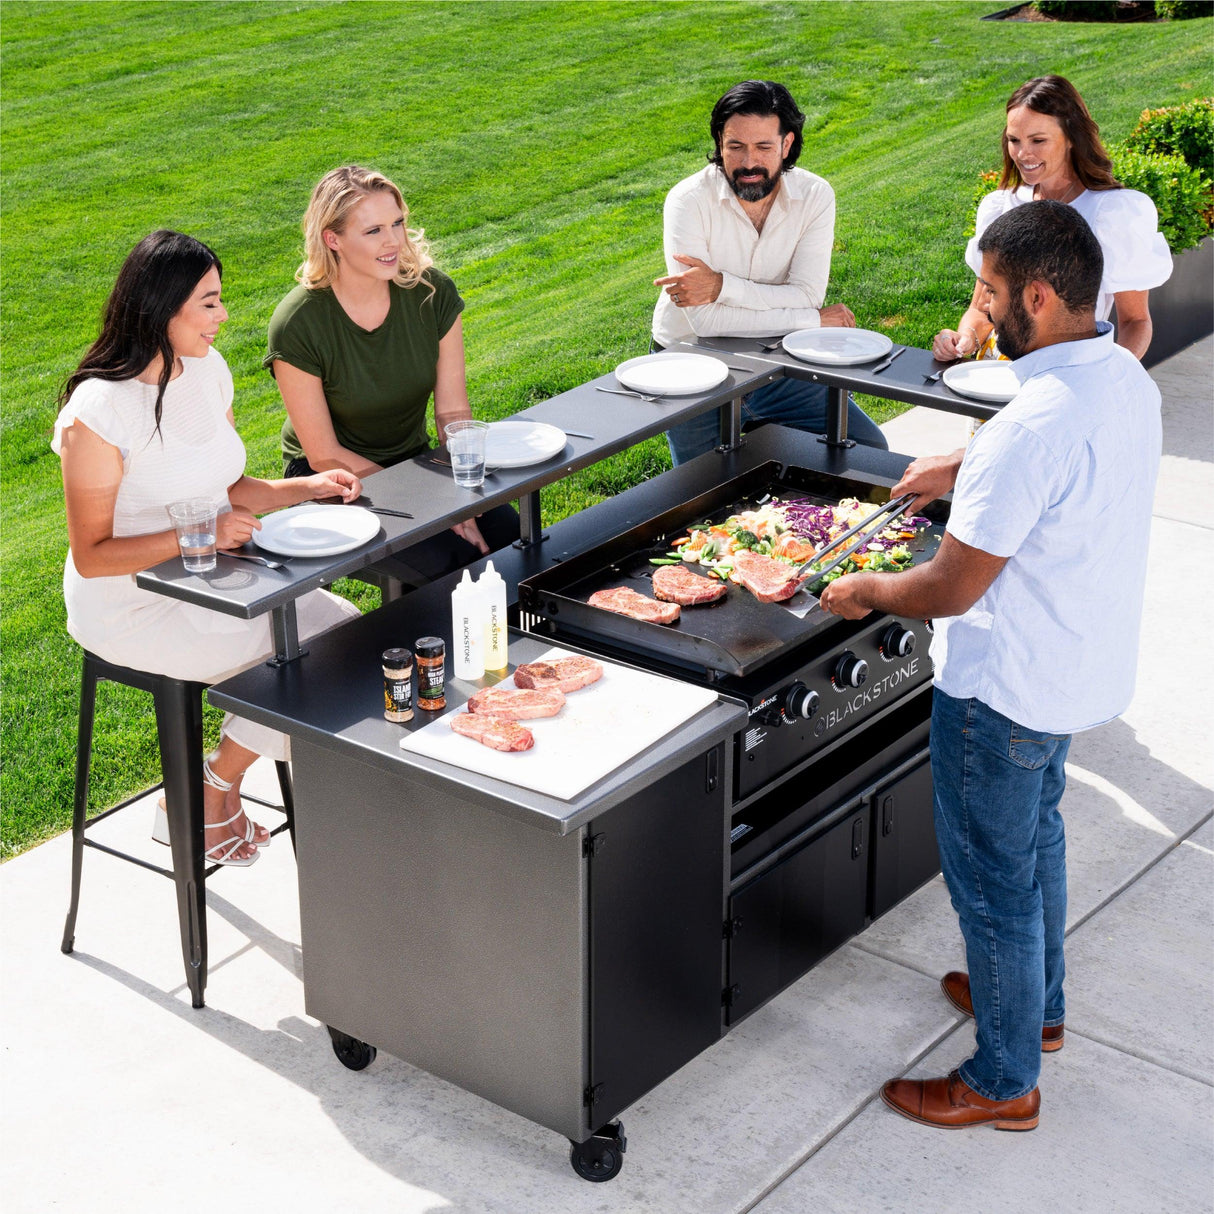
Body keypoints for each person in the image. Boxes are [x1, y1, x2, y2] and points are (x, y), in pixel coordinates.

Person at [821, 201, 1161, 1130]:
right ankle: (1037, 1009)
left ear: (1040, 297)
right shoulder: (1123, 377)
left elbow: (950, 586)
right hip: (1076, 669)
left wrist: (866, 590)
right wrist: (961, 461)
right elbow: (1055, 451)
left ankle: (1004, 1083)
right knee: (1037, 842)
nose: (979, 306)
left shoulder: (1031, 426)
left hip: (1002, 691)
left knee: (992, 883)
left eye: (990, 291)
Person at [54, 230, 363, 867]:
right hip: (131, 605)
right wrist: (197, 536)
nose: (224, 317)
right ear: (161, 309)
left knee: (347, 638)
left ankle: (214, 780)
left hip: (209, 576)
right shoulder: (101, 411)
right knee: (305, 659)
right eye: (209, 303)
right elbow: (91, 554)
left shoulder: (207, 371)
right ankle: (206, 792)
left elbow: (225, 486)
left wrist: (304, 486)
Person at [265, 165, 519, 583]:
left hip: (414, 462)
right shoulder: (298, 322)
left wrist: (464, 489)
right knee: (450, 561)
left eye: (397, 223)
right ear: (333, 239)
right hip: (330, 482)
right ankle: (420, 648)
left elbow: (452, 412)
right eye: (373, 231)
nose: (393, 241)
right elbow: (323, 453)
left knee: (512, 535)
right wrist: (432, 505)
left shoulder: (431, 293)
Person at [651, 80, 889, 465]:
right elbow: (706, 322)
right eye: (735, 147)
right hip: (691, 364)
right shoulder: (687, 200)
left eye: (763, 147)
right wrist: (810, 320)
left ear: (787, 144)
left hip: (778, 359)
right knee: (700, 494)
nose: (748, 163)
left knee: (867, 453)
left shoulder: (815, 196)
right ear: (719, 143)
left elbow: (808, 293)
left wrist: (720, 286)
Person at [934, 75, 1171, 364]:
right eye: (1014, 140)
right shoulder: (1001, 207)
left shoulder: (1111, 215)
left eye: (1038, 140)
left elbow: (1136, 321)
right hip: (992, 376)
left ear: (1071, 138)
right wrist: (964, 340)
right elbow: (981, 310)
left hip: (1070, 375)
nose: (1023, 154)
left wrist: (1110, 375)